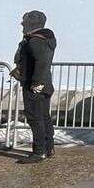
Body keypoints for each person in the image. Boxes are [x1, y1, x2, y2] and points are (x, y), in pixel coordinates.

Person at [13, 10, 57, 164]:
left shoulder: (35, 41)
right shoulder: (46, 38)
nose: (22, 24)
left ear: (31, 24)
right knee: (44, 116)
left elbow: (41, 62)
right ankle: (48, 147)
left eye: (24, 22)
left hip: (35, 85)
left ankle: (39, 152)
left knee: (35, 117)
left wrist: (36, 83)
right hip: (45, 83)